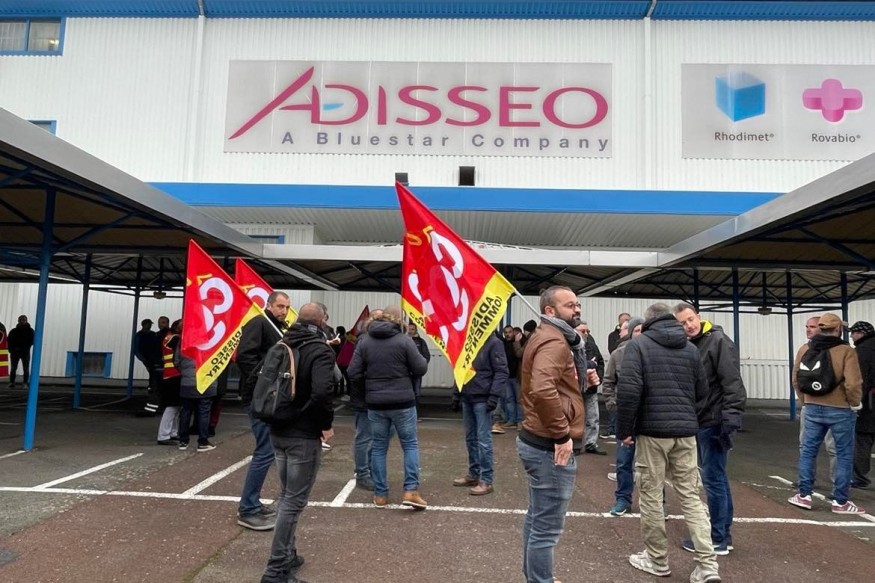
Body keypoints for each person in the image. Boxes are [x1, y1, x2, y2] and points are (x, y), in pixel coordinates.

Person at [616, 303, 720, 583]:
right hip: (685, 433)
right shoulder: (690, 348)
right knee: (691, 497)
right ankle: (708, 565)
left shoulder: (638, 346)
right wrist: (688, 417)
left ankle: (657, 559)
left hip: (652, 433)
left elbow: (629, 391)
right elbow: (703, 392)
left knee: (651, 496)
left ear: (648, 321)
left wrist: (624, 429)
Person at [518, 286, 598, 583]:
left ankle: (535, 577)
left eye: (577, 304)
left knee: (537, 519)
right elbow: (541, 389)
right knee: (546, 528)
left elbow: (552, 383)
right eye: (569, 306)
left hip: (539, 439)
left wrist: (581, 380)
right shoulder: (555, 340)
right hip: (548, 445)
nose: (576, 309)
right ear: (549, 311)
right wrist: (562, 435)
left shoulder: (556, 337)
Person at [260, 303, 336, 583]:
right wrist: (324, 424)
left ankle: (288, 553)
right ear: (322, 321)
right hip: (302, 434)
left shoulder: (281, 344)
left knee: (286, 495)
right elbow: (322, 393)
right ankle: (275, 570)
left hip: (277, 428)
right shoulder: (319, 349)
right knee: (293, 501)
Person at [674, 302, 746, 555]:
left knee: (714, 479)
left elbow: (732, 382)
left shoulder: (718, 341)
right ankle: (723, 534)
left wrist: (731, 417)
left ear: (699, 316)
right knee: (717, 478)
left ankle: (718, 538)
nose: (688, 325)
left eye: (690, 319)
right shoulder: (691, 345)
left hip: (715, 422)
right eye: (682, 323)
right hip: (701, 420)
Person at [347, 306, 429, 510]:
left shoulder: (365, 341)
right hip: (403, 401)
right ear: (398, 320)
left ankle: (380, 494)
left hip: (375, 402)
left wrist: (370, 382)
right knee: (409, 445)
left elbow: (353, 371)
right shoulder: (404, 341)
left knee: (379, 447)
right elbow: (421, 368)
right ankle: (411, 490)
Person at [789, 312, 865, 514]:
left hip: (812, 407)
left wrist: (805, 400)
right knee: (843, 454)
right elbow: (853, 383)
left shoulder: (805, 348)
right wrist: (854, 403)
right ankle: (840, 501)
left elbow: (796, 378)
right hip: (840, 409)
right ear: (838, 329)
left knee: (808, 451)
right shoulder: (846, 351)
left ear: (820, 328)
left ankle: (804, 495)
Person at [236, 291, 290, 531]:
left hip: (271, 398)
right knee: (265, 451)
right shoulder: (258, 323)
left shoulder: (279, 327)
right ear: (269, 305)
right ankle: (247, 508)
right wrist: (263, 382)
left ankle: (253, 503)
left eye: (286, 307)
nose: (284, 311)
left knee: (268, 450)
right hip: (259, 398)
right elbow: (244, 357)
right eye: (280, 306)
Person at [453, 333, 508, 496]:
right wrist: (456, 392)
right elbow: (460, 367)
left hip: (482, 397)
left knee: (483, 440)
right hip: (468, 395)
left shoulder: (494, 343)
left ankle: (486, 480)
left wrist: (494, 396)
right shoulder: (468, 341)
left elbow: (501, 371)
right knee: (471, 438)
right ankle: (474, 474)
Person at [602, 316, 644, 516]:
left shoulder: (655, 353)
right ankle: (623, 499)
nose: (641, 334)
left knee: (653, 464)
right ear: (630, 333)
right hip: (625, 417)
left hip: (649, 418)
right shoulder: (618, 355)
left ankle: (657, 503)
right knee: (624, 461)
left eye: (644, 330)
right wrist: (613, 406)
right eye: (637, 330)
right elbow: (608, 382)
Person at [797, 316, 836, 486]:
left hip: (832, 405)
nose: (808, 329)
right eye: (807, 326)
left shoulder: (838, 349)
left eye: (812, 326)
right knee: (806, 445)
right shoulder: (804, 349)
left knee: (832, 448)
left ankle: (837, 484)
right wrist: (804, 399)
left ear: (822, 328)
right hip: (813, 404)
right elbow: (796, 377)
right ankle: (806, 481)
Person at [173, 321, 217, 452]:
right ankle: (203, 441)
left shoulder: (183, 342)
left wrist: (185, 372)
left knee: (186, 411)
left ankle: (183, 441)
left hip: (187, 382)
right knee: (204, 412)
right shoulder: (211, 341)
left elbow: (176, 361)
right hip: (206, 381)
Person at [850, 320, 875, 489]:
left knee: (863, 440)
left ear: (861, 333)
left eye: (853, 333)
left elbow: (861, 379)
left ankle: (860, 478)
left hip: (869, 403)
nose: (851, 336)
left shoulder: (862, 350)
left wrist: (856, 401)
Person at [577, 321, 606, 455]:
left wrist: (598, 379)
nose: (586, 334)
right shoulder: (569, 346)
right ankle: (575, 443)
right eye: (583, 331)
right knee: (576, 417)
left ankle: (591, 443)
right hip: (575, 389)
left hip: (591, 389)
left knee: (593, 417)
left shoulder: (592, 346)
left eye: (587, 331)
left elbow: (600, 362)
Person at [156, 319, 183, 445]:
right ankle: (164, 435)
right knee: (172, 407)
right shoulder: (176, 339)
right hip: (174, 375)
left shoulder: (169, 337)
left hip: (171, 374)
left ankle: (172, 432)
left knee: (176, 406)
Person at [499, 325, 524, 429]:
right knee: (509, 399)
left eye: (509, 332)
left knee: (519, 400)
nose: (508, 334)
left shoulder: (518, 343)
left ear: (513, 332)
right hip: (507, 376)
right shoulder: (503, 344)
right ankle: (511, 420)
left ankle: (520, 421)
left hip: (517, 376)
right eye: (506, 332)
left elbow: (520, 355)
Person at [406, 322, 431, 407]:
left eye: (412, 329)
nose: (410, 331)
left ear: (416, 330)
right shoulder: (403, 341)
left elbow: (426, 356)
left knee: (417, 392)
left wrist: (421, 367)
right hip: (405, 372)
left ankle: (416, 411)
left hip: (416, 372)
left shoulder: (421, 342)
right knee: (407, 392)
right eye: (409, 329)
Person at [8, 315, 34, 388]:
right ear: (18, 321)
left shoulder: (30, 331)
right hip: (16, 352)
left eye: (23, 320)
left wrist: (23, 348)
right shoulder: (14, 331)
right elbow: (9, 341)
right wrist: (11, 350)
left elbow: (32, 341)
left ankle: (24, 382)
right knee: (14, 368)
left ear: (26, 321)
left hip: (24, 352)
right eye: (20, 320)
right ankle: (12, 382)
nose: (22, 321)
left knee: (25, 368)